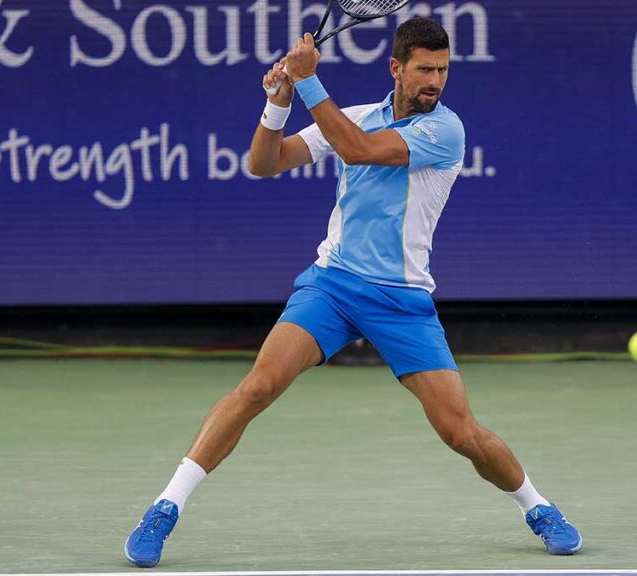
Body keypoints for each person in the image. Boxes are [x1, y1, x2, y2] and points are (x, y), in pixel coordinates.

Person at [124, 17, 582, 568]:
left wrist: (309, 80)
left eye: (442, 70)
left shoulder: (446, 130)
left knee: (460, 433)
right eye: (424, 69)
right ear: (397, 68)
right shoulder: (357, 115)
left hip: (403, 300)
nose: (435, 80)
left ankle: (537, 506)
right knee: (257, 388)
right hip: (333, 286)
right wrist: (278, 101)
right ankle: (164, 509)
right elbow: (264, 163)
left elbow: (360, 149)